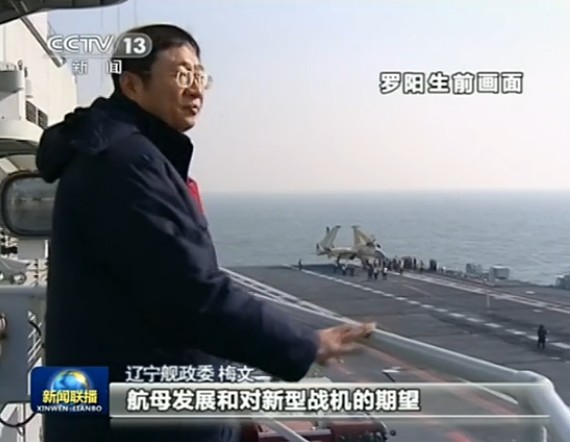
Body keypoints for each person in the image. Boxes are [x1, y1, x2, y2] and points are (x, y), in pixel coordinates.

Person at [36, 24, 373, 442]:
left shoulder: (116, 153)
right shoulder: (126, 163)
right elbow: (189, 292)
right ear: (132, 85)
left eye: (200, 75)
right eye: (181, 74)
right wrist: (304, 344)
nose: (196, 88)